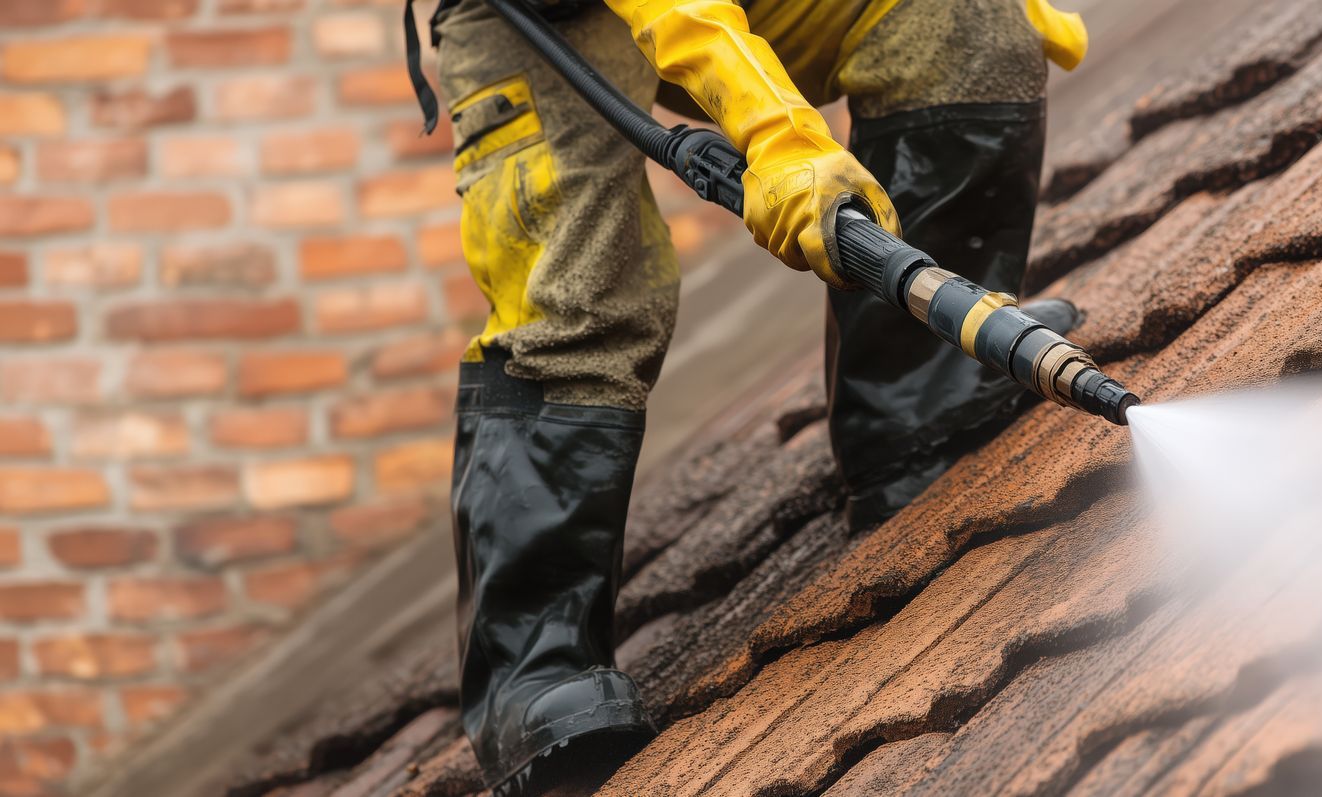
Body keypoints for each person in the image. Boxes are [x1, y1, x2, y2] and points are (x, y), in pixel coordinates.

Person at [407, 0, 1087, 791]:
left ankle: (919, 409)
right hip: (535, 14)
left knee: (960, 19)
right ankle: (530, 674)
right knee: (579, 291)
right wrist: (782, 139)